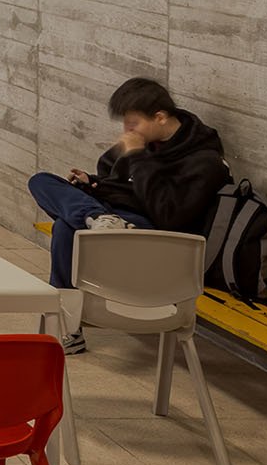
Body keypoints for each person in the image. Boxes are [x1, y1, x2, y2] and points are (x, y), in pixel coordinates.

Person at [28, 76, 228, 353]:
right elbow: (117, 180)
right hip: (115, 216)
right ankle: (97, 218)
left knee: (65, 227)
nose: (127, 131)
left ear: (160, 117)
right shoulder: (146, 142)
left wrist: (137, 156)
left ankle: (68, 328)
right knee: (40, 181)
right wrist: (93, 183)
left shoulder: (204, 161)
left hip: (152, 233)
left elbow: (169, 215)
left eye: (133, 123)